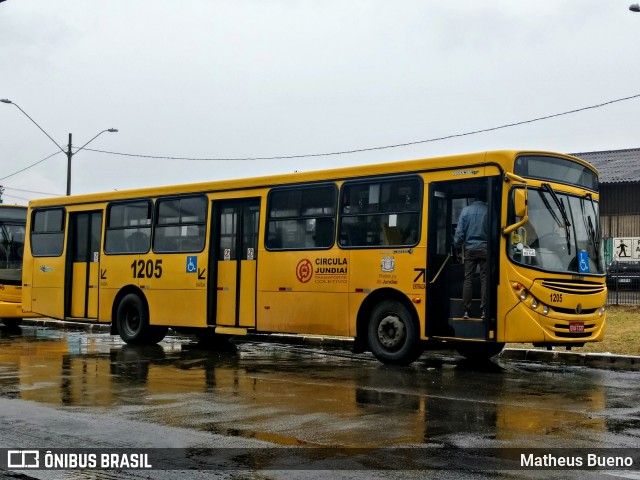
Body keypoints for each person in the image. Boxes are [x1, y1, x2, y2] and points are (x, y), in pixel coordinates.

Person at [453, 189, 488, 320]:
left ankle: (466, 310)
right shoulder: (489, 211)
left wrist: (457, 246)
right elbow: (495, 231)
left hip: (470, 249)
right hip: (485, 248)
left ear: (474, 199)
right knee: (485, 279)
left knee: (468, 279)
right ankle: (484, 310)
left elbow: (460, 232)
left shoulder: (465, 211)